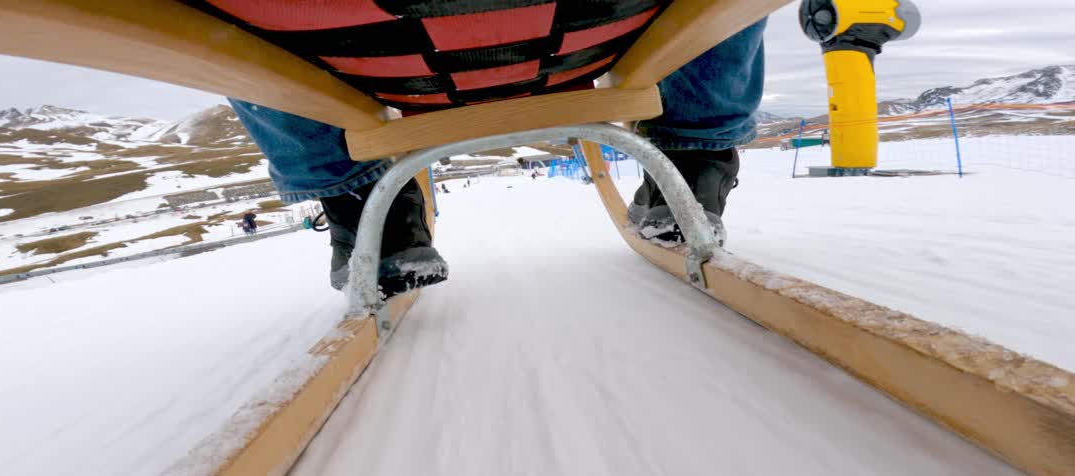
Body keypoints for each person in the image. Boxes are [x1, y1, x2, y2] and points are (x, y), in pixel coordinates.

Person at [229, 20, 765, 297]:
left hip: (374, 54)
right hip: (582, 38)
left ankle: (370, 213)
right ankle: (694, 165)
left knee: (245, 43)